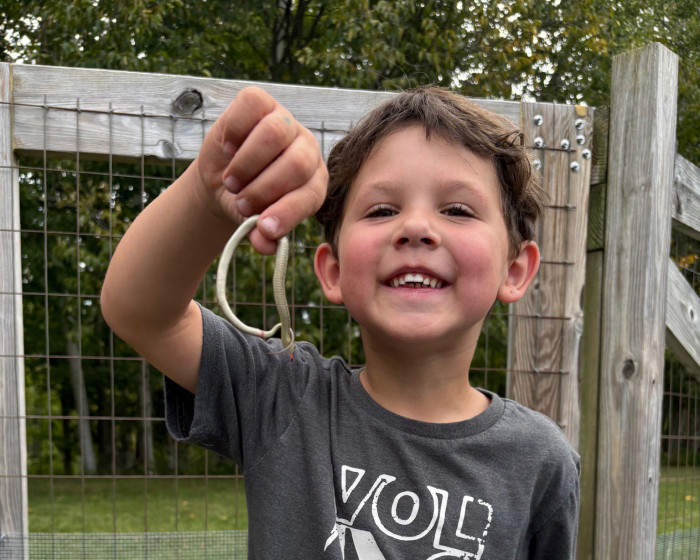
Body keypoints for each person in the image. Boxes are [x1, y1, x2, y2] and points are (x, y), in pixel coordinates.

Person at [101, 85, 580, 559]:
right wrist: (209, 194)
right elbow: (140, 312)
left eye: (457, 210)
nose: (416, 227)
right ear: (333, 271)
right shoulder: (282, 397)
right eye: (382, 210)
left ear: (514, 270)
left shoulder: (541, 460)